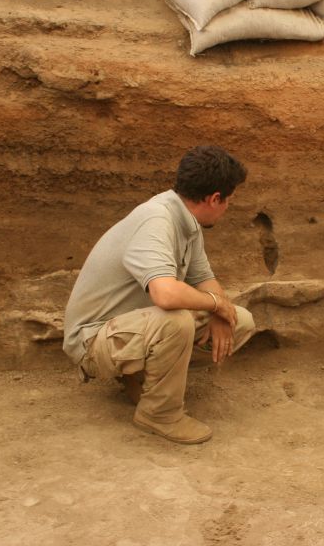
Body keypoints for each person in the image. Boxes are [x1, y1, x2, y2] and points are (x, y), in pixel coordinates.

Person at [62, 145, 258, 445]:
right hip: (92, 342)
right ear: (214, 198)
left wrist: (221, 309)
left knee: (239, 321)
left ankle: (139, 378)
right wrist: (215, 303)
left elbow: (204, 278)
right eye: (228, 200)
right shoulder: (157, 220)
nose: (228, 207)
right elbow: (165, 295)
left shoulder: (186, 222)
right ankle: (159, 413)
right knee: (176, 320)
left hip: (131, 329)